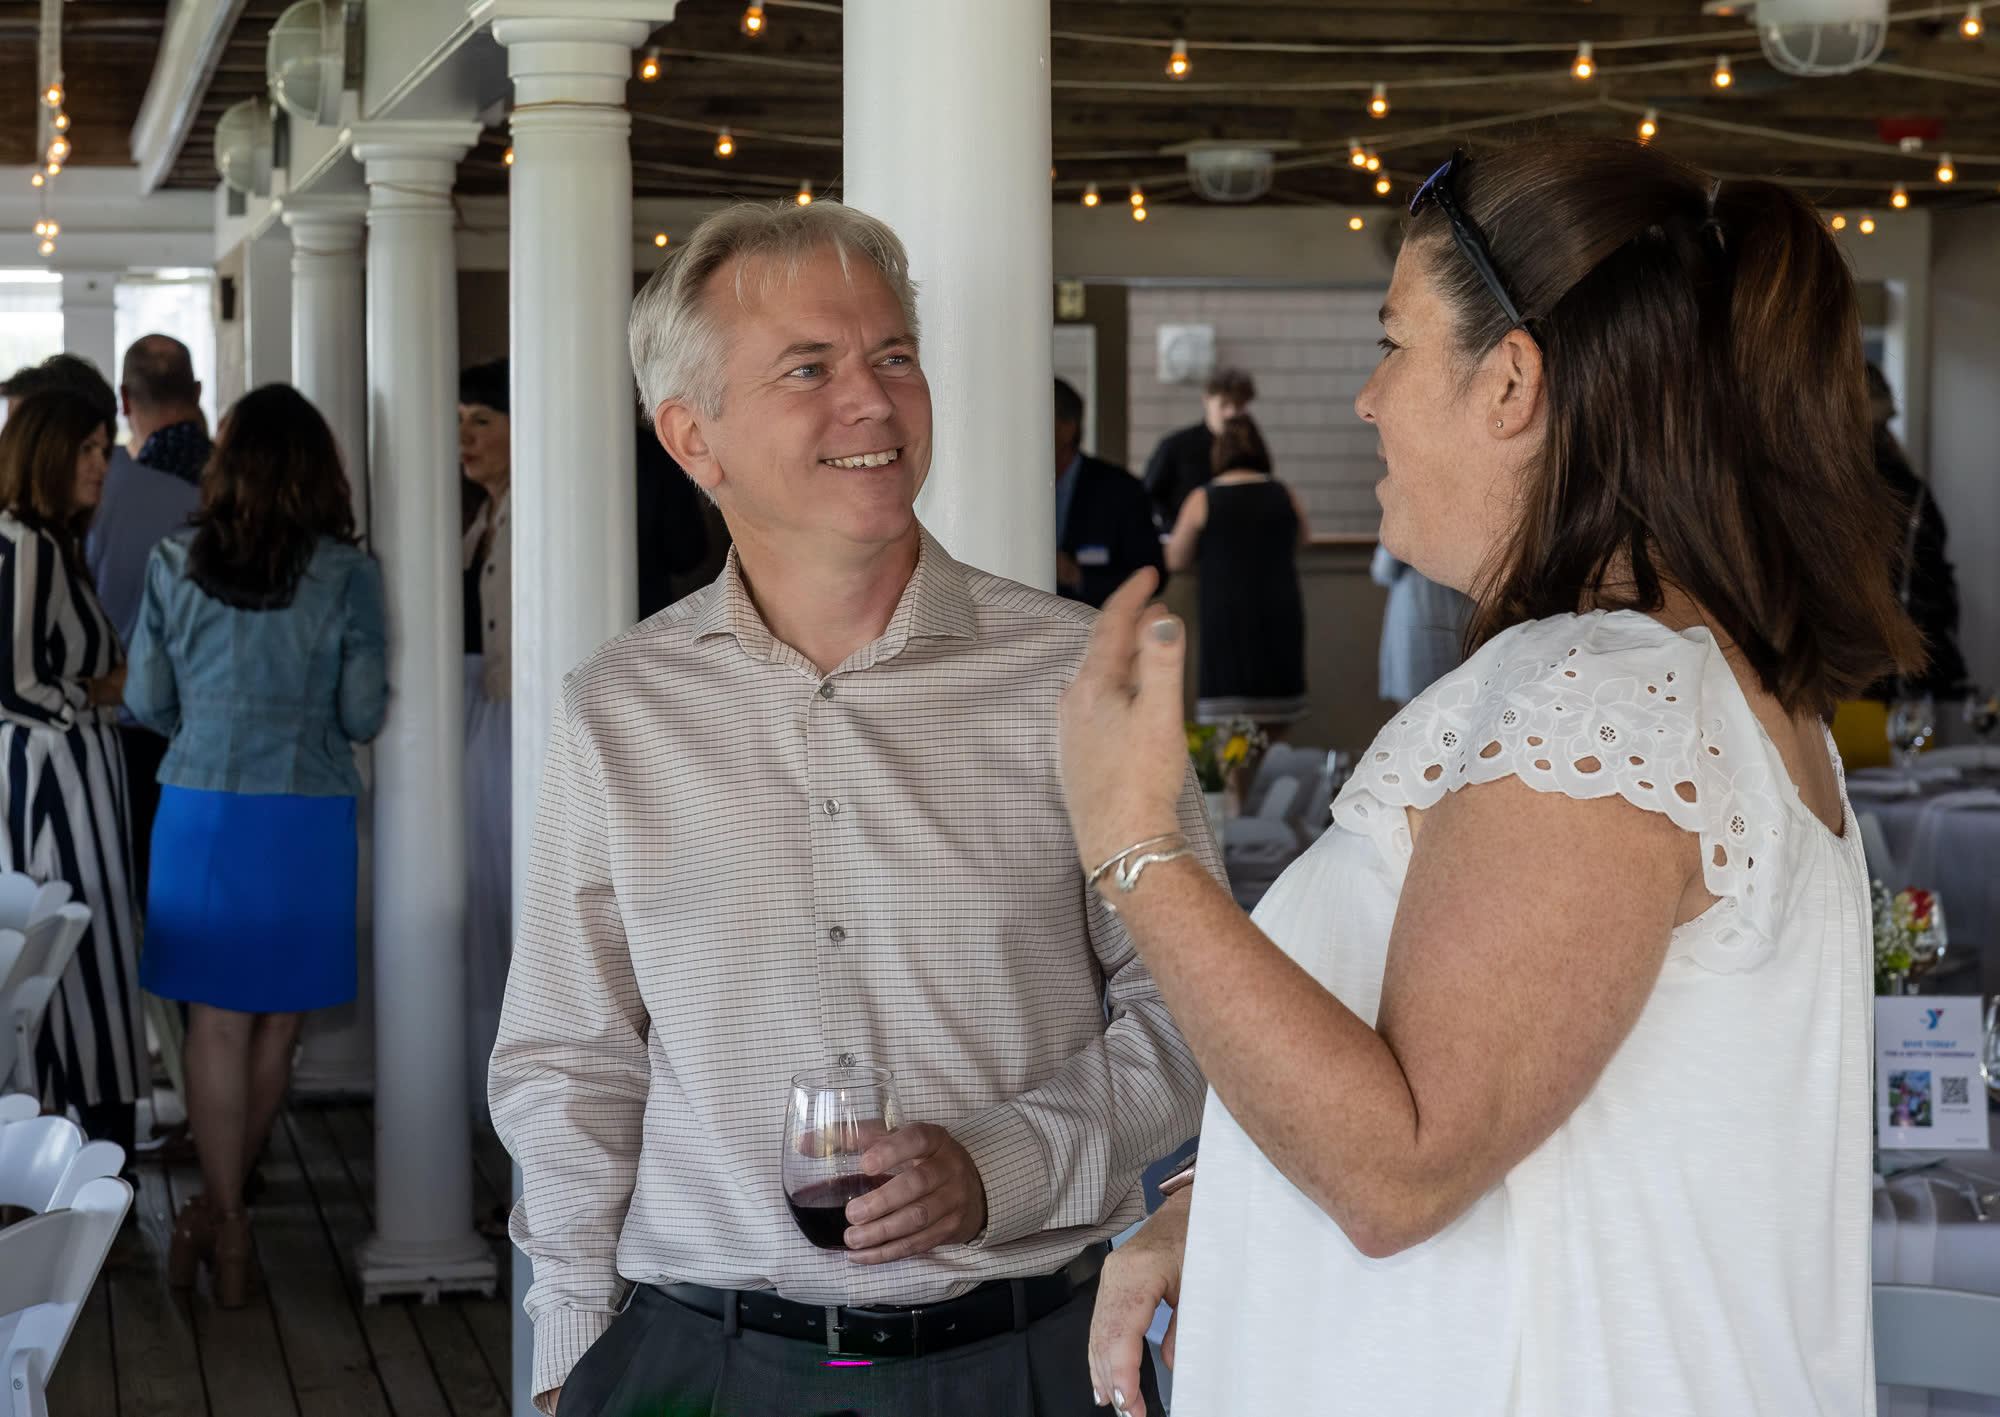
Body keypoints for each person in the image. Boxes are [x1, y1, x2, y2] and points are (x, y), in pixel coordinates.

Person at [1061, 138, 1920, 1416]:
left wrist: (1136, 847)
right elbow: (1539, 1107)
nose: (1367, 399)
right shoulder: (1679, 682)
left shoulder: (1604, 693)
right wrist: (1220, 1200)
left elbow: (1402, 1167)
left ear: (1510, 380)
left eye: (1392, 344)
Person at [491, 199, 1216, 1417]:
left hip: (1021, 1360)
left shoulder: (1075, 676)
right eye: (807, 368)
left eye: (891, 356)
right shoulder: (617, 707)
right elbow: (571, 1058)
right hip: (699, 1364)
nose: (872, 401)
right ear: (693, 438)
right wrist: (566, 1354)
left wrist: (996, 1166)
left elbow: (1192, 1011)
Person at [126, 384, 386, 1307]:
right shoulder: (348, 574)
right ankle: (224, 1213)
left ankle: (224, 1216)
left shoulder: (173, 561)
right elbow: (362, 711)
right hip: (304, 812)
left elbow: (146, 701)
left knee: (214, 1023)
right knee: (279, 1024)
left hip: (201, 806)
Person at [0, 389, 142, 1155]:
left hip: (74, 773)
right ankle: (75, 1148)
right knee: (74, 955)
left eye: (102, 448)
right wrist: (98, 691)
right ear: (48, 452)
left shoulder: (49, 540)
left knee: (86, 954)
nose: (100, 465)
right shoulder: (27, 541)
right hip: (55, 783)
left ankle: (81, 1147)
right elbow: (15, 681)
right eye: (86, 449)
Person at [92, 336, 208, 893]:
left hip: (122, 720)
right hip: (205, 725)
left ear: (124, 400)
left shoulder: (105, 491)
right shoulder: (230, 484)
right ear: (198, 392)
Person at [1165, 414, 1308, 734]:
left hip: (1226, 613)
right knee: (1276, 709)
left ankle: (1237, 768)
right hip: (1279, 609)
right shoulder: (1283, 493)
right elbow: (1302, 538)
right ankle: (1261, 764)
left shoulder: (1203, 498)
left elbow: (1176, 557)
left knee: (1228, 712)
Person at [456, 358, 514, 1135]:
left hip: (517, 718)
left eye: (482, 421)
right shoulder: (483, 515)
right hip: (486, 718)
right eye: (461, 422)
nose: (465, 438)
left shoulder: (531, 510)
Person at [1865, 362, 1967, 700]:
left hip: (1835, 684)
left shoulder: (1819, 492)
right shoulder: (1912, 490)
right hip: (1905, 677)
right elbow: (1934, 584)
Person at [1054, 377, 1163, 609]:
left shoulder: (1120, 490)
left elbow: (1153, 573)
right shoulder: (1003, 491)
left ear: (1067, 428)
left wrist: (1076, 576)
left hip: (1095, 622)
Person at [1141, 367, 1254, 527]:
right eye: (1224, 405)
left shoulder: (1249, 449)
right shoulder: (1176, 446)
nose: (1232, 413)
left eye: (1239, 406)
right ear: (1207, 400)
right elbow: (1149, 495)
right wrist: (1174, 528)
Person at [1368, 546, 1473, 704]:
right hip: (1462, 622)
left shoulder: (1406, 530)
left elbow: (1383, 571)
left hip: (1414, 625)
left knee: (1412, 710)